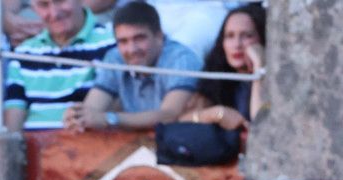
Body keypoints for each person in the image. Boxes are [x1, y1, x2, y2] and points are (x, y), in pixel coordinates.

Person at [68, 0, 198, 133]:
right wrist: (79, 117)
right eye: (123, 41)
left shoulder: (181, 59)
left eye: (139, 38)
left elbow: (169, 115)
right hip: (134, 145)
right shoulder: (115, 57)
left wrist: (110, 118)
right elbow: (93, 107)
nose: (131, 49)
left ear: (159, 36)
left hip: (173, 144)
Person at [3, 0, 113, 131]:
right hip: (32, 147)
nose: (54, 13)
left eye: (60, 1)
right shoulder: (24, 53)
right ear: (34, 9)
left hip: (89, 145)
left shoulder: (111, 44)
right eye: (44, 5)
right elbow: (12, 127)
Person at [179, 1, 263, 131]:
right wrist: (217, 113)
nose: (237, 44)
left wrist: (259, 68)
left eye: (247, 36)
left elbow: (261, 124)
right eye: (230, 36)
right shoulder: (219, 75)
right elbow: (182, 120)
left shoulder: (274, 81)